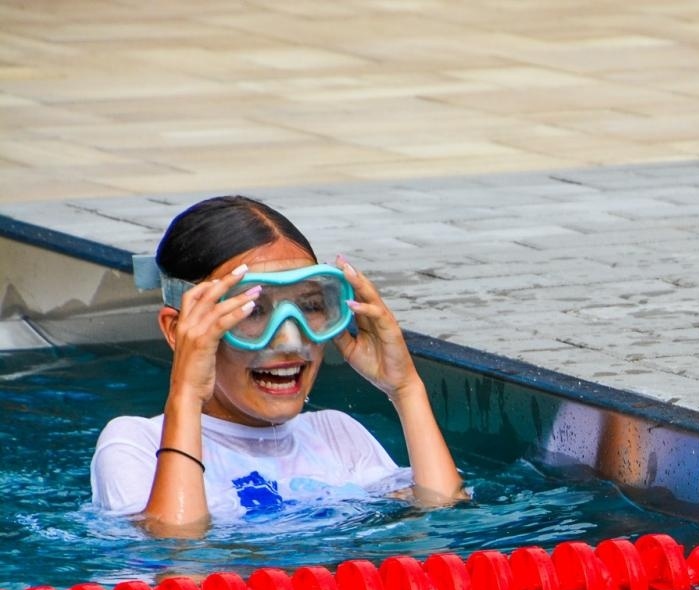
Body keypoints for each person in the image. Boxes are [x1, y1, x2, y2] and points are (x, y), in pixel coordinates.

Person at [92, 196, 464, 537]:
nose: (290, 341)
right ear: (179, 331)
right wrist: (186, 396)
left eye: (311, 306)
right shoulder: (135, 445)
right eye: (253, 310)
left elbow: (443, 524)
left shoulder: (338, 435)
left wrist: (406, 390)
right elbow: (178, 559)